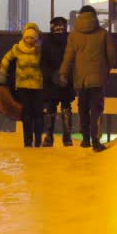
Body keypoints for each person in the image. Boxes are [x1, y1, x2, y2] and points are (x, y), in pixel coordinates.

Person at [59, 5, 116, 152]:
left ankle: (85, 140)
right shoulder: (104, 34)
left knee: (83, 108)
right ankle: (96, 141)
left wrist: (63, 73)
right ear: (94, 16)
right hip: (98, 79)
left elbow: (68, 57)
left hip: (80, 80)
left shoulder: (74, 35)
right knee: (96, 109)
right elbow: (112, 57)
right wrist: (106, 70)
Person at [0, 23, 44, 148]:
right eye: (27, 37)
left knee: (38, 114)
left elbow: (47, 64)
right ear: (23, 38)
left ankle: (38, 140)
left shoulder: (40, 50)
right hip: (23, 86)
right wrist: (2, 73)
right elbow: (6, 59)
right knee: (26, 114)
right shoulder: (17, 48)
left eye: (32, 38)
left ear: (36, 38)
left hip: (38, 86)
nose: (29, 40)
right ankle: (27, 142)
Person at [40, 16, 76, 147]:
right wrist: (53, 76)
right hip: (52, 81)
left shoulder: (69, 40)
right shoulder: (48, 41)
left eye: (61, 27)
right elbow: (43, 62)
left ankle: (66, 137)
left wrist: (66, 75)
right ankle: (50, 137)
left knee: (65, 108)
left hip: (65, 80)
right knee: (51, 109)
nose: (59, 30)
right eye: (57, 27)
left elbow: (73, 60)